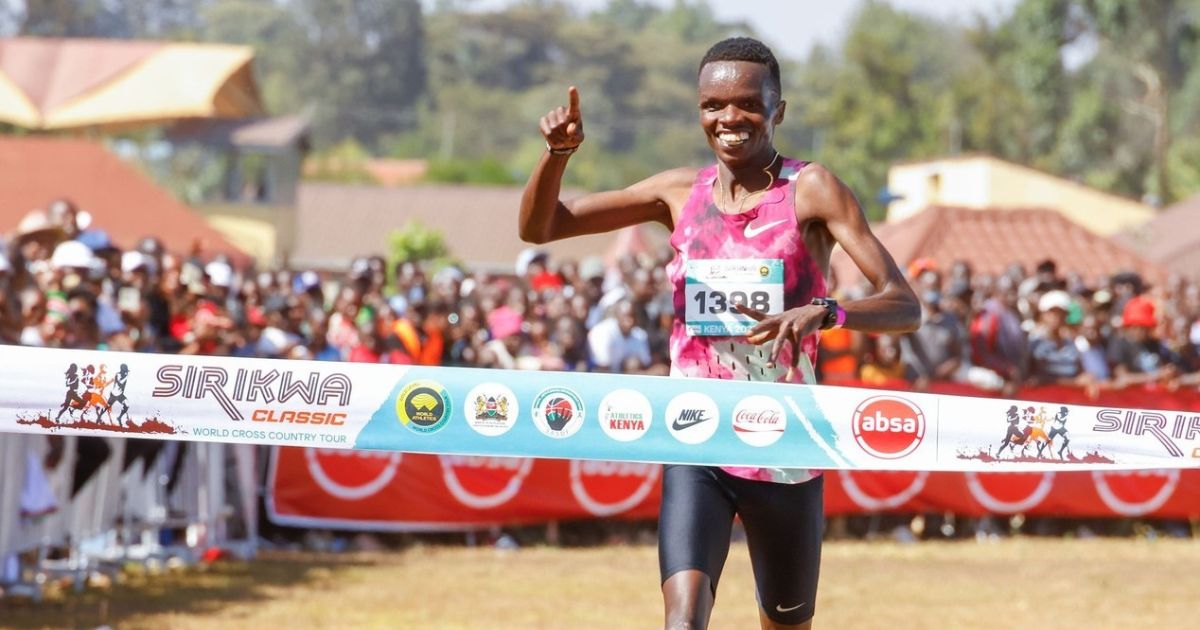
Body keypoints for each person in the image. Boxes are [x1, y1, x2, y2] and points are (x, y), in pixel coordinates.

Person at [519, 36, 920, 630]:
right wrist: (557, 155)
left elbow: (904, 303)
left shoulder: (811, 190)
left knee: (785, 624)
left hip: (785, 442)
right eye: (713, 105)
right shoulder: (679, 193)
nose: (729, 118)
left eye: (748, 104)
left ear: (778, 110)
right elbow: (542, 227)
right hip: (696, 432)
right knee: (683, 620)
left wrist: (827, 312)